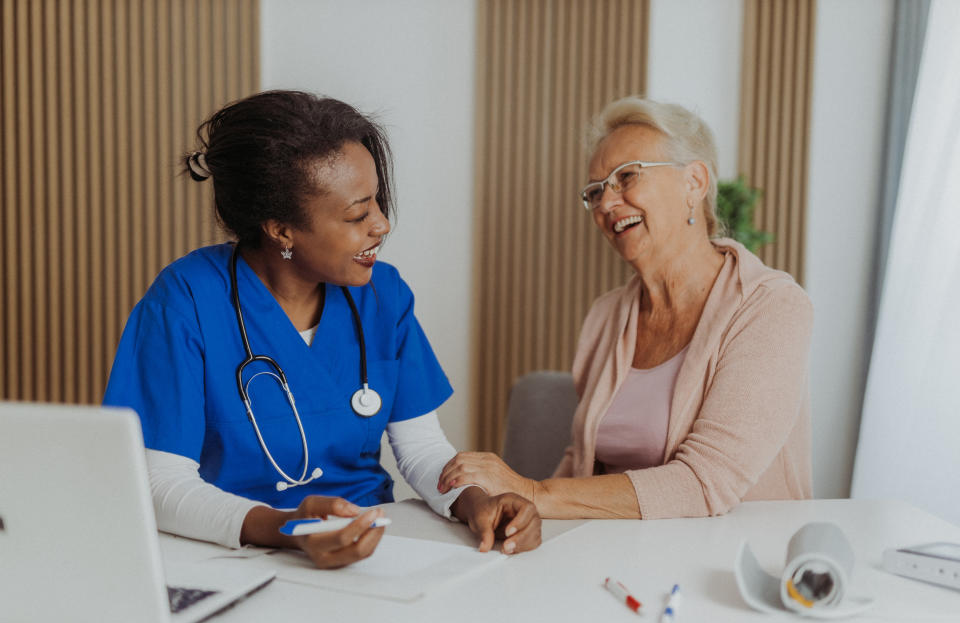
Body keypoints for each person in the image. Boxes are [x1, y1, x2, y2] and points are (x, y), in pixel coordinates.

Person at [104, 90, 540, 568]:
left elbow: (421, 448)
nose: (382, 224)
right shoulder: (185, 301)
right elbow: (159, 482)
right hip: (230, 553)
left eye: (377, 201)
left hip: (371, 546)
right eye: (357, 215)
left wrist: (476, 502)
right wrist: (290, 528)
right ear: (281, 230)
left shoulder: (382, 296)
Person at [439, 96, 813, 519]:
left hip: (728, 563)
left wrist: (535, 492)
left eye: (626, 177)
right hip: (616, 552)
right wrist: (521, 506)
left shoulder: (771, 306)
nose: (606, 203)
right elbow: (583, 458)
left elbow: (707, 481)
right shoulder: (607, 315)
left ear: (694, 182)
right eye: (596, 191)